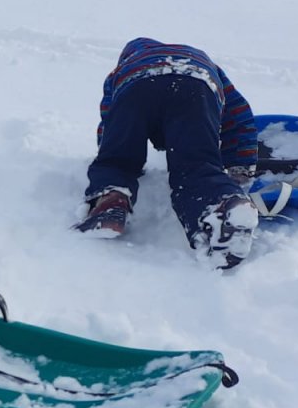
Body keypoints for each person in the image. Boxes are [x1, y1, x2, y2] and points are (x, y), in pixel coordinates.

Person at [76, 38, 259, 269]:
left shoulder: (123, 69)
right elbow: (239, 117)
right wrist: (241, 167)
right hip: (195, 85)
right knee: (195, 166)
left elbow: (110, 120)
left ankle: (111, 200)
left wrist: (111, 153)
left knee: (117, 163)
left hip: (135, 87)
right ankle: (222, 205)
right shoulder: (204, 63)